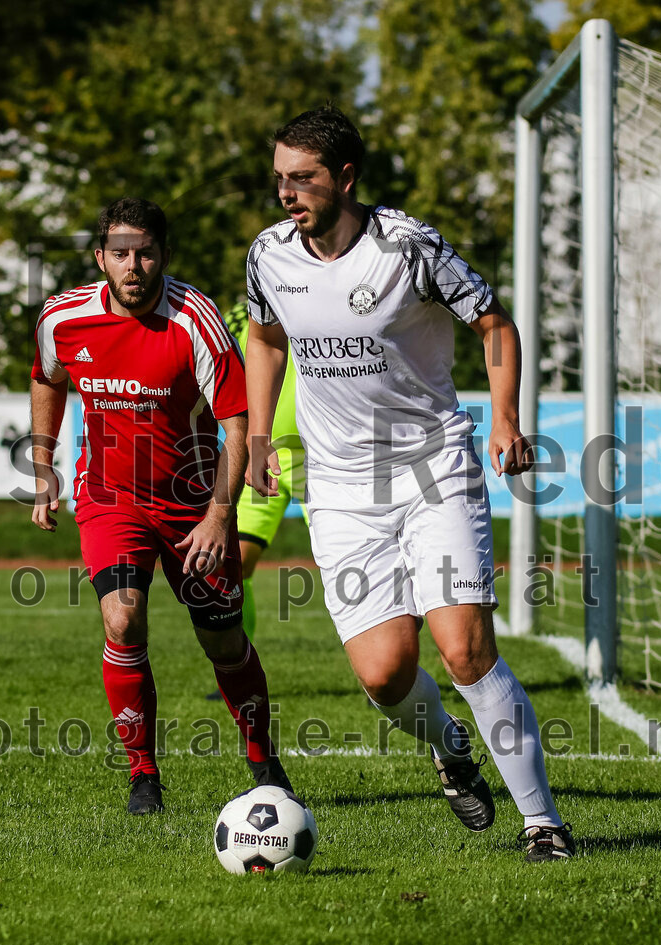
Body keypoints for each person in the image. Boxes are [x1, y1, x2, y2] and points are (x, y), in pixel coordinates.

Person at [244, 106, 575, 861]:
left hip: (433, 466)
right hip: (338, 486)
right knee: (385, 673)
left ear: (345, 177)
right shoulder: (269, 254)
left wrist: (504, 418)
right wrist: (261, 435)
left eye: (303, 178)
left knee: (463, 648)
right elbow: (264, 339)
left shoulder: (409, 246)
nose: (287, 193)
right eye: (280, 178)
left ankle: (543, 824)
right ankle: (450, 746)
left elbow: (494, 324)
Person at [30, 197, 292, 815]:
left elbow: (237, 423)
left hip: (193, 504)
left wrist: (219, 516)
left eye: (146, 253)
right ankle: (142, 775)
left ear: (164, 256)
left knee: (223, 642)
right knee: (123, 620)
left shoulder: (196, 320)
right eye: (120, 254)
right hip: (109, 498)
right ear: (101, 258)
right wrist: (42, 465)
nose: (134, 266)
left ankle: (263, 760)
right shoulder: (62, 318)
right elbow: (47, 378)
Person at [205, 302, 306, 701]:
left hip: (323, 454)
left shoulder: (319, 297)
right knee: (235, 564)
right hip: (262, 454)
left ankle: (389, 670)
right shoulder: (237, 315)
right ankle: (238, 673)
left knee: (354, 565)